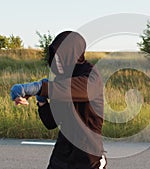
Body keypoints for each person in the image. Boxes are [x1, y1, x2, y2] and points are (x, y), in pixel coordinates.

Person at [10, 31, 106, 169]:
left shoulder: (91, 75)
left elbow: (77, 88)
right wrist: (42, 100)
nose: (57, 61)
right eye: (54, 57)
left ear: (73, 53)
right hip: (63, 154)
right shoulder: (60, 81)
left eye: (61, 56)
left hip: (88, 155)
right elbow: (51, 122)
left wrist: (39, 87)